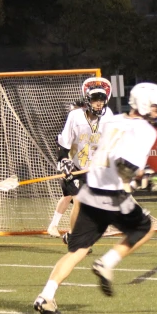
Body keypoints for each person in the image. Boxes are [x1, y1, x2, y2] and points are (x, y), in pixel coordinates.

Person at [33, 82, 157, 314]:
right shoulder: (146, 130)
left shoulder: (113, 120)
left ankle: (46, 296)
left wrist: (139, 173)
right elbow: (124, 165)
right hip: (112, 194)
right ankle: (106, 263)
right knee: (145, 228)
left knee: (76, 251)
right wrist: (143, 178)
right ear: (145, 105)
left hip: (90, 192)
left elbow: (110, 156)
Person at [47, 77, 113, 239]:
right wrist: (64, 162)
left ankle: (72, 231)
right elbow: (63, 143)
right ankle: (73, 236)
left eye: (101, 100)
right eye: (95, 100)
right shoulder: (75, 117)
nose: (99, 103)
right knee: (78, 200)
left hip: (91, 167)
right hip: (72, 165)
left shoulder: (108, 116)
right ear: (88, 101)